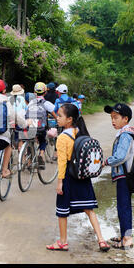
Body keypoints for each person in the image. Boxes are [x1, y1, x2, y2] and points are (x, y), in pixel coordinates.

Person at [46, 103, 110, 252]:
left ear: (69, 119)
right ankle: (101, 240)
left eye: (60, 116)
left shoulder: (63, 137)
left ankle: (62, 242)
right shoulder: (80, 131)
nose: (58, 118)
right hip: (83, 176)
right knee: (89, 208)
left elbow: (62, 162)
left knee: (62, 210)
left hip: (69, 175)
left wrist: (60, 182)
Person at [102, 103, 134, 250]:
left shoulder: (125, 135)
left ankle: (127, 239)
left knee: (123, 206)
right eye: (112, 118)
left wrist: (106, 162)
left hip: (124, 176)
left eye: (116, 117)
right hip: (126, 175)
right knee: (124, 206)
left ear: (125, 119)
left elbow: (120, 157)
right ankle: (125, 234)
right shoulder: (127, 132)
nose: (113, 121)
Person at [25, 82, 58, 169]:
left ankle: (29, 163)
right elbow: (55, 114)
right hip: (40, 127)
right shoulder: (46, 103)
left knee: (30, 141)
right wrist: (58, 120)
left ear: (34, 92)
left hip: (30, 126)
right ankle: (41, 154)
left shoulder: (30, 103)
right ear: (45, 92)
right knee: (43, 140)